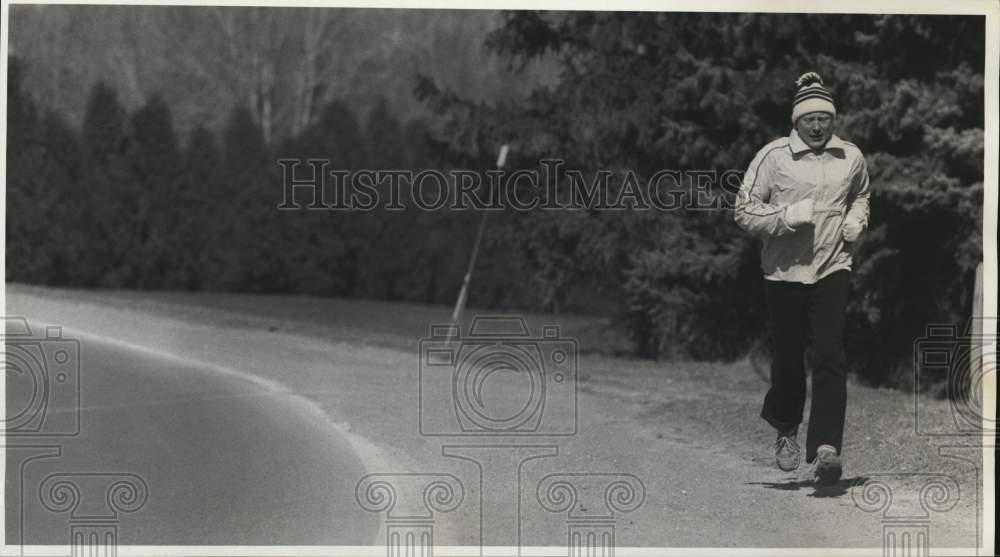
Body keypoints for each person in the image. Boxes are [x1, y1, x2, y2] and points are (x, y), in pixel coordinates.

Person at [734, 72, 870, 484]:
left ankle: (827, 447)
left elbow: (861, 194)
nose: (817, 125)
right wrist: (787, 216)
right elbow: (743, 210)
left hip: (832, 267)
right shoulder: (773, 157)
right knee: (789, 359)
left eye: (824, 119)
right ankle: (786, 430)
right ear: (796, 121)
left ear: (833, 120)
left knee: (830, 354)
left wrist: (857, 220)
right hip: (784, 272)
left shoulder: (850, 157)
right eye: (809, 118)